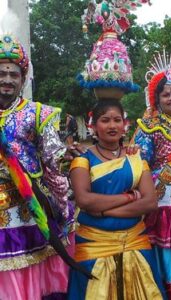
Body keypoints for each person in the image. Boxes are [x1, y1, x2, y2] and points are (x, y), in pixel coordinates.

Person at [0, 32, 75, 299]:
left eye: (13, 74)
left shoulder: (39, 114)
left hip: (27, 210)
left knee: (27, 280)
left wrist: (61, 208)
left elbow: (53, 167)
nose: (7, 80)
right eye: (2, 73)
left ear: (22, 79)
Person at [67, 99, 164, 299]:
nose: (112, 125)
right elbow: (84, 200)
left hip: (136, 244)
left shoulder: (136, 158)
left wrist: (103, 210)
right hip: (94, 247)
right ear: (93, 126)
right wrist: (130, 196)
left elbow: (150, 203)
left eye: (117, 120)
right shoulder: (83, 160)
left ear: (125, 125)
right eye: (105, 120)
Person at [133, 51, 171, 180]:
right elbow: (141, 166)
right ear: (157, 100)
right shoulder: (150, 127)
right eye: (166, 95)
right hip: (163, 188)